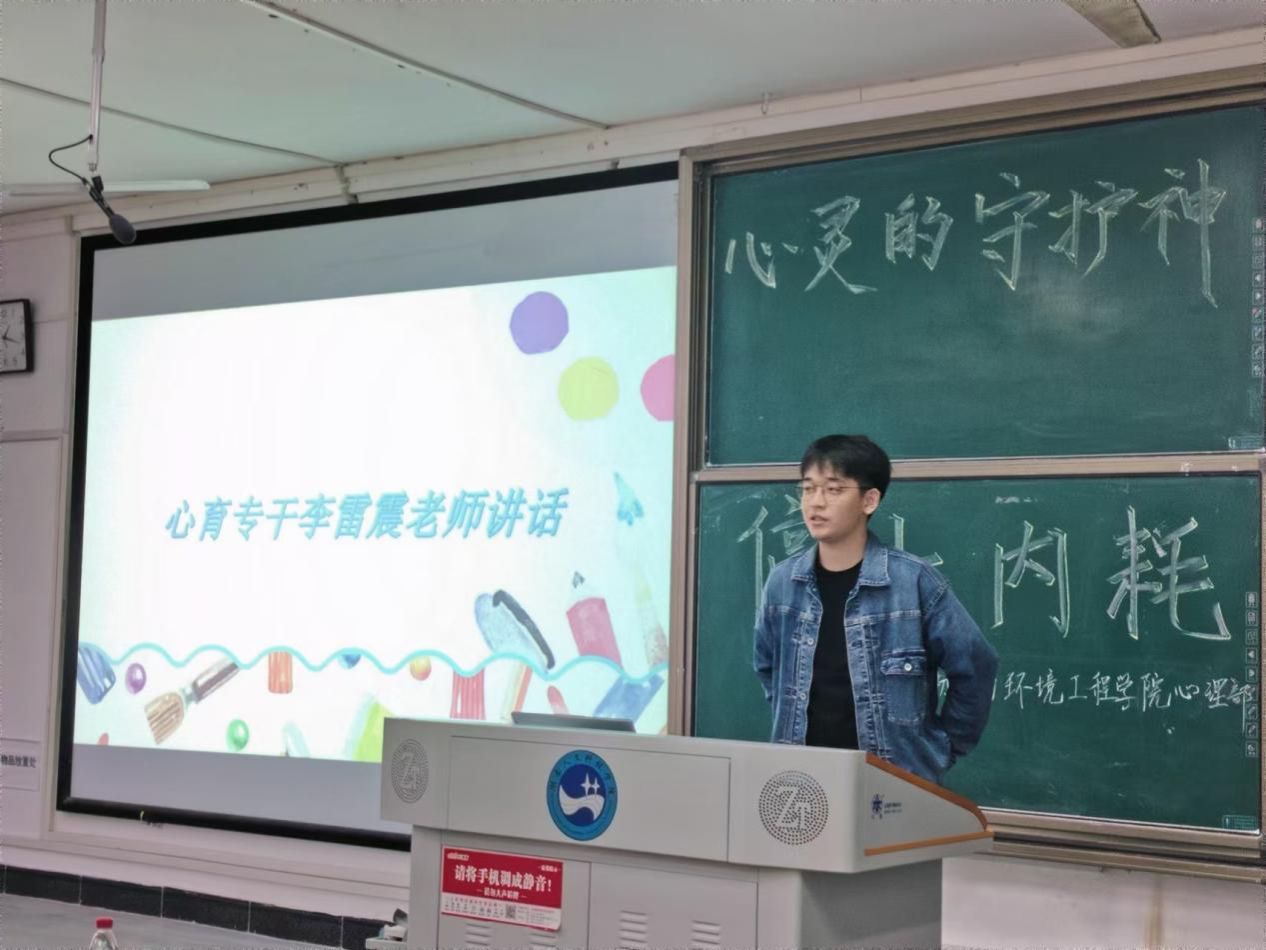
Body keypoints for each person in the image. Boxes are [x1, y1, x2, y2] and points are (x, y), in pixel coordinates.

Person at [752, 434, 998, 784]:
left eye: (833, 489)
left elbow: (976, 664)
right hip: (801, 781)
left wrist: (940, 749)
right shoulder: (782, 582)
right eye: (807, 488)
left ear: (869, 500)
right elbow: (766, 667)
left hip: (893, 783)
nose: (815, 502)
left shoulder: (913, 581)